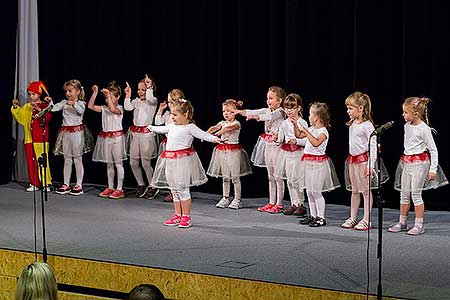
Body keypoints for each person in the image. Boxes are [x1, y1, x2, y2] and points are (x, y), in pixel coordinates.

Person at [148, 99, 222, 228]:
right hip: (169, 160)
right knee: (174, 189)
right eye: (172, 114)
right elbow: (162, 129)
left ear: (186, 115)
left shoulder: (190, 127)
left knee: (182, 188)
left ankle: (186, 216)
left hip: (182, 162)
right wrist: (151, 127)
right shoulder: (172, 126)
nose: (172, 117)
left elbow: (203, 135)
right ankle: (177, 215)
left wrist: (214, 138)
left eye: (175, 115)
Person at [388, 97, 448, 235]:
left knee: (416, 194)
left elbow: (433, 150)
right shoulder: (406, 126)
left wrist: (433, 169)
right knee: (404, 194)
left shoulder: (424, 129)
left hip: (420, 164)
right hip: (407, 162)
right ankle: (402, 222)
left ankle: (419, 224)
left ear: (416, 114)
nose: (403, 115)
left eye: (406, 112)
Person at [341, 92, 389, 230]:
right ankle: (353, 217)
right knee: (355, 191)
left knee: (366, 191)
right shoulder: (352, 123)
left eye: (350, 108)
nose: (348, 111)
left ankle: (366, 219)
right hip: (352, 161)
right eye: (348, 108)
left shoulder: (367, 125)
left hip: (363, 161)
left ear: (361, 108)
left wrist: (370, 164)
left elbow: (373, 146)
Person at [235, 86, 286, 213]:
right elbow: (256, 111)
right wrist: (242, 112)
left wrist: (254, 117)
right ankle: (271, 202)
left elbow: (268, 117)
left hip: (278, 145)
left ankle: (279, 204)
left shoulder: (280, 112)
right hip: (268, 144)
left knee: (278, 176)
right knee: (270, 176)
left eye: (271, 98)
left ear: (279, 101)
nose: (268, 100)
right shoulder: (268, 109)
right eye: (267, 98)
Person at [293, 102, 340, 227]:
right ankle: (313, 215)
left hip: (318, 164)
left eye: (310, 115)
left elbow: (315, 142)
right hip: (308, 163)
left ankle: (321, 217)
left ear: (316, 117)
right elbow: (298, 135)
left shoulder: (323, 131)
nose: (308, 117)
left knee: (316, 192)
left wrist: (306, 132)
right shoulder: (312, 128)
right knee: (309, 191)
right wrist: (295, 125)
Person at [51, 79, 94, 196]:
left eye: (70, 91)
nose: (68, 94)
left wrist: (73, 104)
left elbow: (80, 111)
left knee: (77, 158)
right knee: (67, 158)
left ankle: (79, 184)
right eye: (66, 91)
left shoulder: (81, 103)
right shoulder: (64, 102)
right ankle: (66, 183)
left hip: (77, 133)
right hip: (65, 132)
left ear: (78, 91)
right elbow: (54, 108)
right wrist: (50, 103)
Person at [207, 99, 252, 209]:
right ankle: (225, 197)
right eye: (224, 111)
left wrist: (218, 133)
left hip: (234, 151)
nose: (226, 114)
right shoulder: (222, 123)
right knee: (225, 177)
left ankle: (237, 199)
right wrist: (206, 134)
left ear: (235, 112)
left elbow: (228, 128)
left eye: (229, 111)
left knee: (235, 177)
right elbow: (214, 127)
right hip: (222, 151)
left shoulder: (237, 123)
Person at [11, 81, 53, 192]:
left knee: (42, 161)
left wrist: (39, 109)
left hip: (41, 139)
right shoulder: (27, 107)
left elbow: (47, 118)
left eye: (33, 94)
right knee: (31, 161)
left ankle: (46, 183)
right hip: (29, 139)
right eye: (29, 94)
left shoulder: (44, 105)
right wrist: (15, 107)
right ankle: (34, 183)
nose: (31, 96)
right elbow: (20, 117)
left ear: (39, 94)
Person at [89, 81, 127, 199]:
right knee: (109, 164)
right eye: (106, 97)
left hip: (117, 139)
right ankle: (110, 187)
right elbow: (90, 106)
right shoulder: (104, 108)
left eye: (110, 97)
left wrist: (108, 95)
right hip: (105, 138)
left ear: (118, 97)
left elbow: (112, 108)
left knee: (118, 163)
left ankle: (119, 189)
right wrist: (95, 93)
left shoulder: (119, 108)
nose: (107, 99)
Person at [124, 75, 159, 199]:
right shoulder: (136, 101)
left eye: (143, 89)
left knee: (145, 162)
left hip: (146, 135)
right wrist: (128, 95)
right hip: (135, 134)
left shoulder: (153, 101)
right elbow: (127, 107)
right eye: (139, 89)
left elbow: (150, 99)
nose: (140, 92)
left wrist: (149, 86)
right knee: (133, 162)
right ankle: (141, 184)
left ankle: (153, 186)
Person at [273, 93, 308, 216]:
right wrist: (276, 139)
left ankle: (301, 204)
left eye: (292, 108)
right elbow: (281, 139)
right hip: (287, 154)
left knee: (298, 179)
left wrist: (296, 141)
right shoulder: (284, 123)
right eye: (287, 108)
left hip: (298, 154)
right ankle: (294, 203)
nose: (289, 110)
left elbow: (307, 140)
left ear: (298, 108)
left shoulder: (302, 122)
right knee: (290, 180)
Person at [154, 88, 185, 202]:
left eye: (173, 102)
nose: (170, 104)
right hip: (168, 145)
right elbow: (158, 123)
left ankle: (182, 192)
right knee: (170, 171)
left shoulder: (182, 115)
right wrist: (160, 109)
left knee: (179, 171)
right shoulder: (167, 114)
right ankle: (173, 192)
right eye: (169, 102)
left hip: (179, 146)